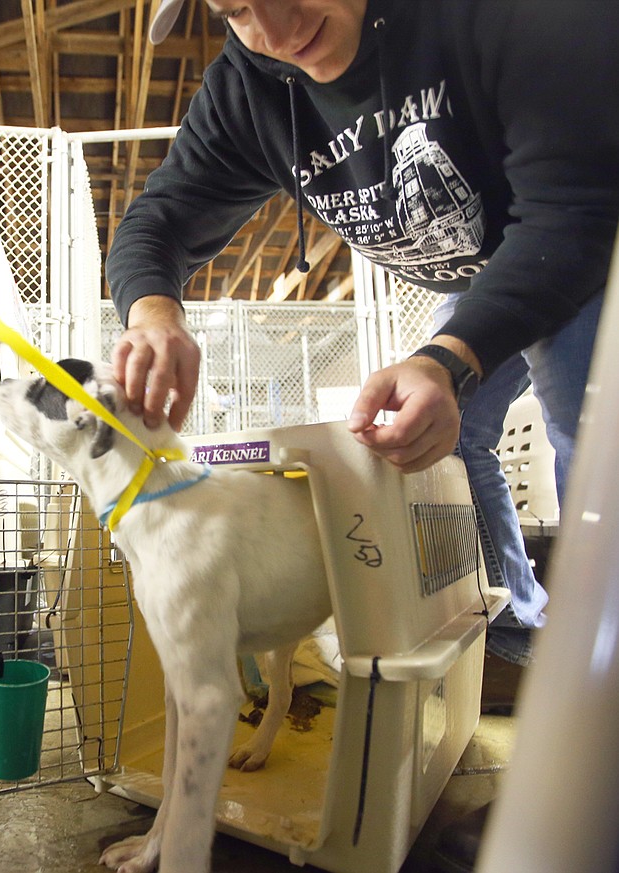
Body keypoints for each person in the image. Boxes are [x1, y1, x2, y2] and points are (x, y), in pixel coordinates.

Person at [108, 0, 619, 672]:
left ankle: (598, 671)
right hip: (489, 264)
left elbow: (570, 216)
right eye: (237, 10)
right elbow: (159, 220)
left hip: (587, 231)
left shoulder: (507, 16)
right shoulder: (249, 86)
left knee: (588, 425)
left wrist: (449, 357)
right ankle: (518, 627)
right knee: (445, 435)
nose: (279, 32)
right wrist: (153, 316)